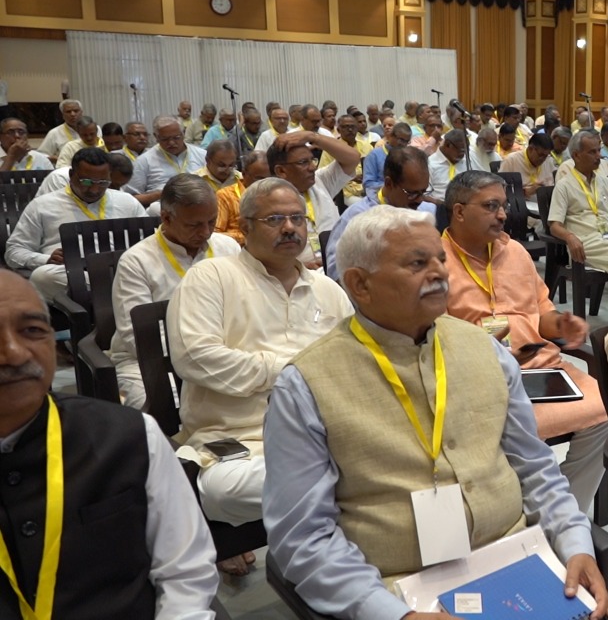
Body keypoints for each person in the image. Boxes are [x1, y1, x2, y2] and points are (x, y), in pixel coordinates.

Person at [262, 205, 608, 620]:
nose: (440, 274)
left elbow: (537, 468)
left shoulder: (486, 350)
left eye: (440, 260)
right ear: (359, 284)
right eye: (417, 263)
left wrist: (575, 544)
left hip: (516, 557)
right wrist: (393, 614)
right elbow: (303, 538)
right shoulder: (306, 384)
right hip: (398, 585)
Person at [0, 269, 222, 617]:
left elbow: (186, 575)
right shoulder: (141, 262)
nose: (14, 353)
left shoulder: (132, 438)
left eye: (32, 331)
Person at [168, 178, 353, 574]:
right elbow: (196, 358)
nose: (290, 228)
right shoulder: (211, 277)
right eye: (274, 219)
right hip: (241, 442)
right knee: (223, 489)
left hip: (325, 436)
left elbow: (354, 360)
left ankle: (333, 553)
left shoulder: (328, 289)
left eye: (297, 218)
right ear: (245, 227)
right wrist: (297, 370)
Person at [442, 171, 608, 509]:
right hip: (477, 378)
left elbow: (542, 316)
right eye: (491, 206)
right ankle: (510, 509)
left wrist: (561, 324)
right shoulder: (434, 259)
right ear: (459, 212)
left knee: (606, 411)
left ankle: (562, 509)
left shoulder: (515, 251)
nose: (503, 215)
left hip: (541, 368)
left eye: (503, 206)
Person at [109, 175, 240, 409]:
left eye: (211, 221)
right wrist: (197, 358)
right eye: (194, 225)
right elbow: (136, 336)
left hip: (224, 353)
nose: (206, 232)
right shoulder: (136, 261)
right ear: (166, 218)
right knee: (163, 405)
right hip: (150, 360)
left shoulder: (227, 247)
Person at [5, 147, 147, 300]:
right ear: (71, 175)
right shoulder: (42, 206)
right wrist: (45, 259)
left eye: (103, 182)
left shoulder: (127, 202)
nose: (94, 189)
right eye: (86, 181)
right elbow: (14, 251)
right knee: (43, 276)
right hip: (72, 274)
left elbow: (151, 241)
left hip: (123, 270)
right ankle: (118, 293)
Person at [548, 130, 608, 292]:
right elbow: (554, 225)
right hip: (587, 243)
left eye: (599, 150)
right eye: (592, 152)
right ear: (576, 155)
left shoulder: (605, 182)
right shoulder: (564, 185)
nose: (599, 156)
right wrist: (570, 237)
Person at [326, 146, 433, 279]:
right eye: (412, 193)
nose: (420, 200)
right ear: (389, 183)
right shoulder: (357, 218)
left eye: (423, 192)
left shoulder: (426, 212)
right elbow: (336, 272)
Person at [268, 130, 359, 267]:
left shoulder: (319, 181)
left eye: (312, 160)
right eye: (303, 162)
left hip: (336, 264)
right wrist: (299, 266)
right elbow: (265, 255)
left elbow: (353, 158)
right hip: (297, 275)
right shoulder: (267, 201)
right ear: (281, 171)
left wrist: (312, 137)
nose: (312, 167)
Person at [124, 116, 207, 208]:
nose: (171, 143)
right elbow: (131, 199)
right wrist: (163, 194)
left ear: (183, 133)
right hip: (162, 209)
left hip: (200, 206)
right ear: (156, 137)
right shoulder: (144, 161)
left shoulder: (202, 155)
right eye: (165, 139)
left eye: (176, 137)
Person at [319, 114, 375, 206]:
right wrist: (352, 177)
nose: (350, 130)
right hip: (345, 192)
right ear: (338, 130)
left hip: (368, 188)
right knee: (366, 206)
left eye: (352, 127)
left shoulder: (366, 146)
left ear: (357, 129)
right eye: (345, 127)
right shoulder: (332, 148)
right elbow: (324, 176)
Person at [499, 130, 556, 199]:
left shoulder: (548, 160)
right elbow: (500, 189)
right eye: (541, 155)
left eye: (546, 156)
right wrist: (524, 192)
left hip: (544, 202)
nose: (543, 159)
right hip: (520, 203)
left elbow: (554, 184)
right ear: (530, 149)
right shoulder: (511, 160)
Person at [362, 121, 412, 198]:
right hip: (380, 196)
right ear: (391, 136)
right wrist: (393, 187)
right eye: (401, 140)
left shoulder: (408, 156)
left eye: (406, 141)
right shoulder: (374, 155)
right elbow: (368, 184)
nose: (403, 144)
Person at [425, 128, 475, 204]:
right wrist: (443, 204)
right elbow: (423, 195)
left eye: (465, 152)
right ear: (448, 145)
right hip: (438, 206)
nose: (463, 155)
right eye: (461, 151)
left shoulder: (466, 162)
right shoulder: (430, 164)